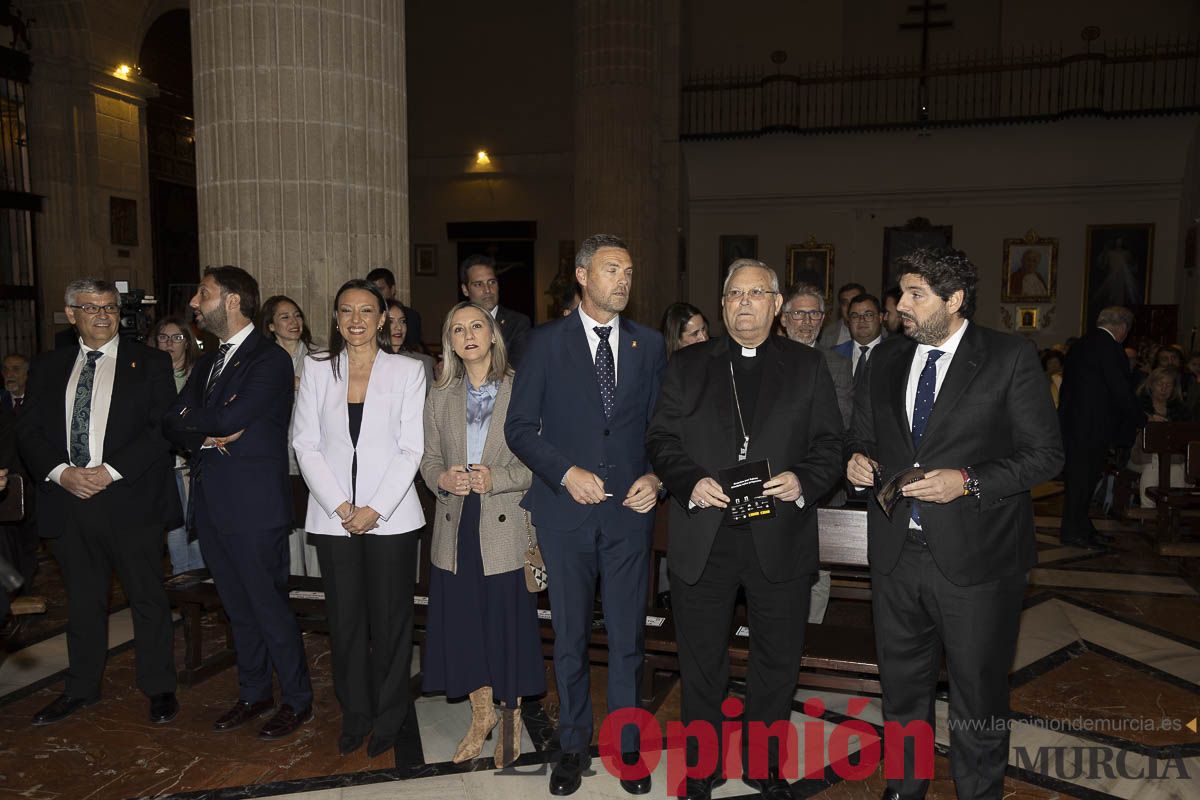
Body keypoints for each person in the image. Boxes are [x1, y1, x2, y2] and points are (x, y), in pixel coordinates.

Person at [845, 247, 1063, 800]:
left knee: (978, 693)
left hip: (979, 558)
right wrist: (857, 461)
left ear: (956, 300)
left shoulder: (1008, 357)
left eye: (916, 295)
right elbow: (866, 438)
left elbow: (1046, 455)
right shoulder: (887, 359)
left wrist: (966, 480)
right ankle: (905, 786)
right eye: (901, 294)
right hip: (896, 554)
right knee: (901, 688)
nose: (901, 306)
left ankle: (978, 791)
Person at [647, 259, 844, 800]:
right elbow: (662, 439)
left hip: (778, 533)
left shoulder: (807, 366)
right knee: (702, 660)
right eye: (734, 293)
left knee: (777, 660)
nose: (744, 303)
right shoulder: (688, 364)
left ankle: (765, 765)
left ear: (776, 304)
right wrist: (688, 480)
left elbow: (831, 444)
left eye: (756, 293)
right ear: (723, 302)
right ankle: (702, 768)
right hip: (704, 534)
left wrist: (801, 479)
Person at [505, 233, 666, 797]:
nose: (622, 279)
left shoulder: (650, 344)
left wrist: (656, 476)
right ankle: (572, 745)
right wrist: (566, 472)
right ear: (581, 276)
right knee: (570, 637)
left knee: (627, 640)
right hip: (563, 512)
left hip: (628, 515)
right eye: (610, 269)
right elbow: (519, 428)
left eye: (628, 269)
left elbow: (660, 431)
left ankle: (627, 747)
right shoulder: (544, 343)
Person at [17, 278, 181, 726]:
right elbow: (28, 431)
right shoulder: (48, 367)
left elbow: (161, 428)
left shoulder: (149, 363)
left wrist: (106, 472)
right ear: (72, 314)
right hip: (69, 502)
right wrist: (62, 473)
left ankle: (159, 686)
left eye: (110, 307)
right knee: (84, 602)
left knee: (146, 597)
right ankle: (81, 688)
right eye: (91, 308)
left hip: (129, 499)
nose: (103, 315)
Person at [163, 266, 314, 739]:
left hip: (253, 508)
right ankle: (253, 694)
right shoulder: (207, 362)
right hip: (210, 504)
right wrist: (208, 434)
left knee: (268, 607)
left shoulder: (268, 360)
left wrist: (199, 423)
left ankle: (296, 699)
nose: (193, 302)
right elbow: (171, 420)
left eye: (202, 293)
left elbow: (234, 415)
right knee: (236, 607)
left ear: (231, 301)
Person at [291, 279, 426, 758]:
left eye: (366, 311)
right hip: (334, 520)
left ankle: (390, 716)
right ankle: (356, 715)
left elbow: (413, 448)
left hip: (390, 518)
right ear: (335, 317)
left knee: (391, 624)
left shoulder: (407, 371)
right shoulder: (316, 368)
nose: (355, 320)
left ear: (383, 317)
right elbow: (304, 443)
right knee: (345, 624)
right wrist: (342, 507)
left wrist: (374, 508)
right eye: (345, 310)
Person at [420, 301, 543, 768]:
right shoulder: (439, 396)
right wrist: (441, 480)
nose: (468, 334)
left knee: (506, 627)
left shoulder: (522, 390)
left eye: (477, 326)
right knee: (466, 627)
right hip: (455, 526)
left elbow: (539, 461)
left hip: (505, 523)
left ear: (493, 334)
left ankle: (511, 721)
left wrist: (498, 478)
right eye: (457, 329)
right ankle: (481, 715)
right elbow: (428, 460)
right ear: (449, 341)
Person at [1057, 306, 1146, 548]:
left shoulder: (1082, 344)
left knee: (1080, 481)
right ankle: (1074, 532)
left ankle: (1082, 528)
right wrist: (1143, 419)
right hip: (1092, 427)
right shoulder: (1110, 347)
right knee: (1082, 482)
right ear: (1123, 328)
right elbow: (1120, 390)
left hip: (1075, 425)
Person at [260, 295, 321, 577]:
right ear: (271, 326)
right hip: (276, 455)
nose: (294, 322)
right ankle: (293, 591)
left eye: (297, 315)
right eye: (285, 317)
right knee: (286, 530)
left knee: (314, 528)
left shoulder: (320, 357)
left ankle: (320, 598)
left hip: (316, 454)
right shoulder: (261, 360)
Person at [152, 315, 205, 575]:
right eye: (163, 337)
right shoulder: (148, 377)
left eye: (177, 337)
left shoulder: (199, 375)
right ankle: (181, 582)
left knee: (194, 524)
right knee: (174, 527)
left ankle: (200, 583)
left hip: (191, 460)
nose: (169, 343)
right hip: (162, 462)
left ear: (187, 342)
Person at [779, 284, 853, 429]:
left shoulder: (839, 365)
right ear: (784, 319)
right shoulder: (768, 358)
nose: (807, 321)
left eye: (814, 314)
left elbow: (840, 421)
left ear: (822, 318)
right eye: (799, 313)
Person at [1127, 367, 1192, 507]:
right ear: (1151, 385)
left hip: (1174, 458)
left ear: (1174, 388)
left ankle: (1171, 510)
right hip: (1140, 455)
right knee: (1155, 464)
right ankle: (1149, 509)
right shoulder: (1137, 406)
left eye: (1168, 385)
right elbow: (1126, 431)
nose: (1164, 388)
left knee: (1176, 467)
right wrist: (1147, 421)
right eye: (1160, 384)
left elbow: (1185, 437)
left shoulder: (1181, 411)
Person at [460, 254, 533, 366]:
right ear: (465, 290)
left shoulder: (518, 323)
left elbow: (519, 370)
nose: (488, 290)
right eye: (479, 284)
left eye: (492, 282)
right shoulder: (457, 325)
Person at [367, 267, 423, 352]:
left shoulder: (410, 315)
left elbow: (413, 346)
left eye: (380, 289)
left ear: (392, 289)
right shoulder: (367, 316)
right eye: (372, 291)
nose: (376, 294)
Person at [386, 299, 437, 388]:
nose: (399, 327)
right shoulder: (367, 362)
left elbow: (430, 400)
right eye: (390, 322)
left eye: (403, 321)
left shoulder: (422, 362)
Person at [832, 293, 884, 380]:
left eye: (868, 315)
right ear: (848, 321)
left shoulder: (895, 355)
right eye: (855, 316)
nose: (861, 320)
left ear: (880, 317)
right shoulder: (834, 354)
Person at [817, 281, 865, 348]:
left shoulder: (878, 331)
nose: (849, 307)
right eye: (845, 303)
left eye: (854, 301)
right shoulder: (828, 332)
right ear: (840, 307)